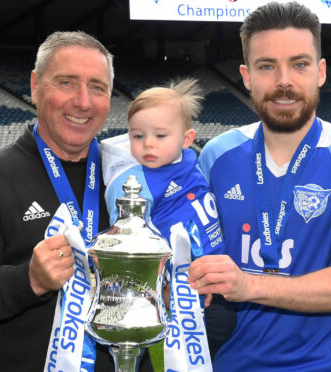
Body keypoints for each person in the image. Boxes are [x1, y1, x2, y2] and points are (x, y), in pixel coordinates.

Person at [0, 31, 153, 371]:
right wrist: (28, 281)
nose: (83, 101)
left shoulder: (132, 176)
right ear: (35, 85)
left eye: (97, 87)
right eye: (66, 82)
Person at [187, 2, 331, 371]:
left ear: (320, 71)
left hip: (324, 364)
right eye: (267, 66)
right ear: (246, 76)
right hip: (226, 363)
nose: (284, 80)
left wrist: (248, 285)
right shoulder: (217, 156)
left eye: (299, 64)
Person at [100, 78, 236, 361]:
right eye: (137, 136)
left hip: (218, 273)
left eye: (160, 136)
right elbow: (125, 242)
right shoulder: (132, 182)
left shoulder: (189, 160)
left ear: (186, 139)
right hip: (186, 286)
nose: (148, 143)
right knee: (208, 339)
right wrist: (161, 286)